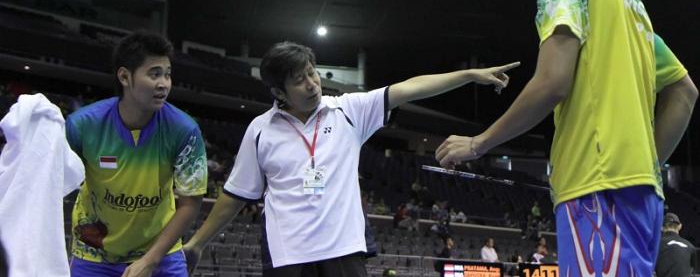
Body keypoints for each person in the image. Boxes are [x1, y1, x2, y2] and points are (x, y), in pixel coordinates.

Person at [436, 0, 698, 276]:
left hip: (595, 189)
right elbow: (683, 91)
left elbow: (552, 82)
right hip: (642, 194)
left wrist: (478, 143)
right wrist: (647, 164)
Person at [183, 41, 519, 276]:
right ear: (278, 92)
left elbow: (411, 88)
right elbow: (236, 195)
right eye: (299, 80)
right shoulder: (260, 130)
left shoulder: (348, 110)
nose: (312, 84)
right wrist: (197, 244)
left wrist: (469, 75)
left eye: (312, 73)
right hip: (287, 258)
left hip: (344, 253)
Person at [67, 31, 208, 277]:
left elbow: (189, 203)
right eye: (154, 74)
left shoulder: (184, 130)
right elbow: (53, 184)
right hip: (94, 253)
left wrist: (151, 260)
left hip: (161, 252)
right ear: (124, 76)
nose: (164, 83)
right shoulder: (82, 126)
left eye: (167, 74)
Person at [656, 213, 697, 277]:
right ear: (680, 226)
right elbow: (692, 269)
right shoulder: (691, 247)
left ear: (661, 227)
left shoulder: (656, 245)